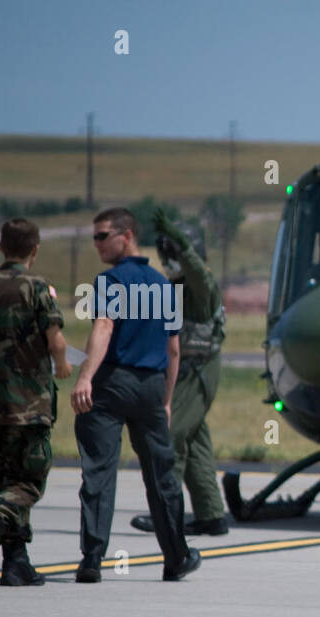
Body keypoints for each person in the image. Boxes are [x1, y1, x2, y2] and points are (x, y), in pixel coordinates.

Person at [70, 207, 200, 583]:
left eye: (102, 236)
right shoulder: (164, 286)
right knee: (161, 476)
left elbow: (104, 326)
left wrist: (85, 377)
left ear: (125, 236)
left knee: (98, 471)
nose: (97, 244)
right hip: (150, 386)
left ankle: (92, 560)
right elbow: (174, 351)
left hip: (110, 384)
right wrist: (166, 400)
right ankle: (176, 557)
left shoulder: (110, 281)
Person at [0, 218, 71, 587]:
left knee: (4, 479)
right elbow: (55, 340)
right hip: (28, 403)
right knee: (28, 482)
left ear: (1, 247)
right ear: (35, 250)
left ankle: (15, 562)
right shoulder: (38, 288)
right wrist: (64, 366)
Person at [130, 209, 228, 536]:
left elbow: (197, 272)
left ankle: (166, 516)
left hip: (198, 372)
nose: (167, 259)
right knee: (195, 440)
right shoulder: (176, 289)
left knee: (169, 436)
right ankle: (211, 514)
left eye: (171, 253)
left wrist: (182, 244)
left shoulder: (202, 286)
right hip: (186, 371)